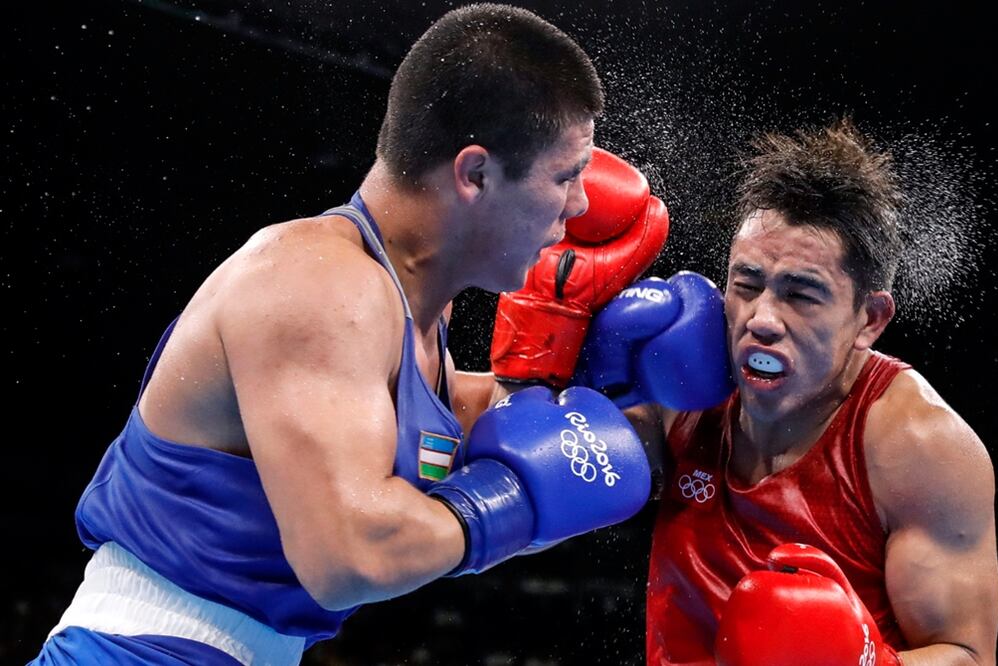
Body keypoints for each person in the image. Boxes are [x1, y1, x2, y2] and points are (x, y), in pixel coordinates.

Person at [30, 4, 673, 664]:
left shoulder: (409, 313)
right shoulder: (321, 286)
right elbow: (352, 554)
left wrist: (603, 394)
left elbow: (466, 434)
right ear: (474, 174)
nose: (580, 205)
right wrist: (516, 502)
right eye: (565, 176)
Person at [569, 119, 998, 664]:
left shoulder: (918, 446)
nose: (762, 319)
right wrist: (555, 346)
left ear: (870, 319)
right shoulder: (681, 380)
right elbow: (523, 449)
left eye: (802, 295)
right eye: (746, 285)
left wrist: (866, 662)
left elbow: (967, 653)